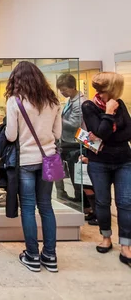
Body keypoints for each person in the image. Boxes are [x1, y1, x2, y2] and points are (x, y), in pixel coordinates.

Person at [5, 62, 61, 273]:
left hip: (26, 161)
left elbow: (11, 135)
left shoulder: (15, 101)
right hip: (49, 159)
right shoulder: (53, 101)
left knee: (28, 208)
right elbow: (57, 134)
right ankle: (50, 255)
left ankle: (32, 255)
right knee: (46, 206)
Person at [82, 72, 131, 267]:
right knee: (102, 201)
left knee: (126, 202)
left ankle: (126, 245)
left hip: (124, 161)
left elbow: (129, 131)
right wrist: (109, 113)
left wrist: (105, 136)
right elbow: (99, 131)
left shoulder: (121, 104)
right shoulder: (89, 106)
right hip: (99, 162)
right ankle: (106, 237)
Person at [55, 74, 86, 203]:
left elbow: (74, 123)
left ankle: (82, 201)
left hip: (74, 143)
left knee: (76, 174)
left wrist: (57, 118)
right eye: (60, 90)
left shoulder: (79, 102)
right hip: (67, 141)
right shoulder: (71, 100)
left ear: (73, 87)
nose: (62, 92)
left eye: (64, 89)